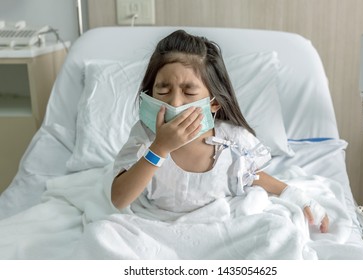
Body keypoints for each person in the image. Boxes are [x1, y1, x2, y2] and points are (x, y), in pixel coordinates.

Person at [111, 29, 329, 233]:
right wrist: (159, 148)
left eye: (189, 92)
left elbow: (250, 175)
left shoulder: (232, 142)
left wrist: (297, 197)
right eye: (164, 90)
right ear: (150, 95)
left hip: (217, 228)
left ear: (214, 103)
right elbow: (119, 199)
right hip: (158, 228)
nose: (175, 103)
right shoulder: (145, 138)